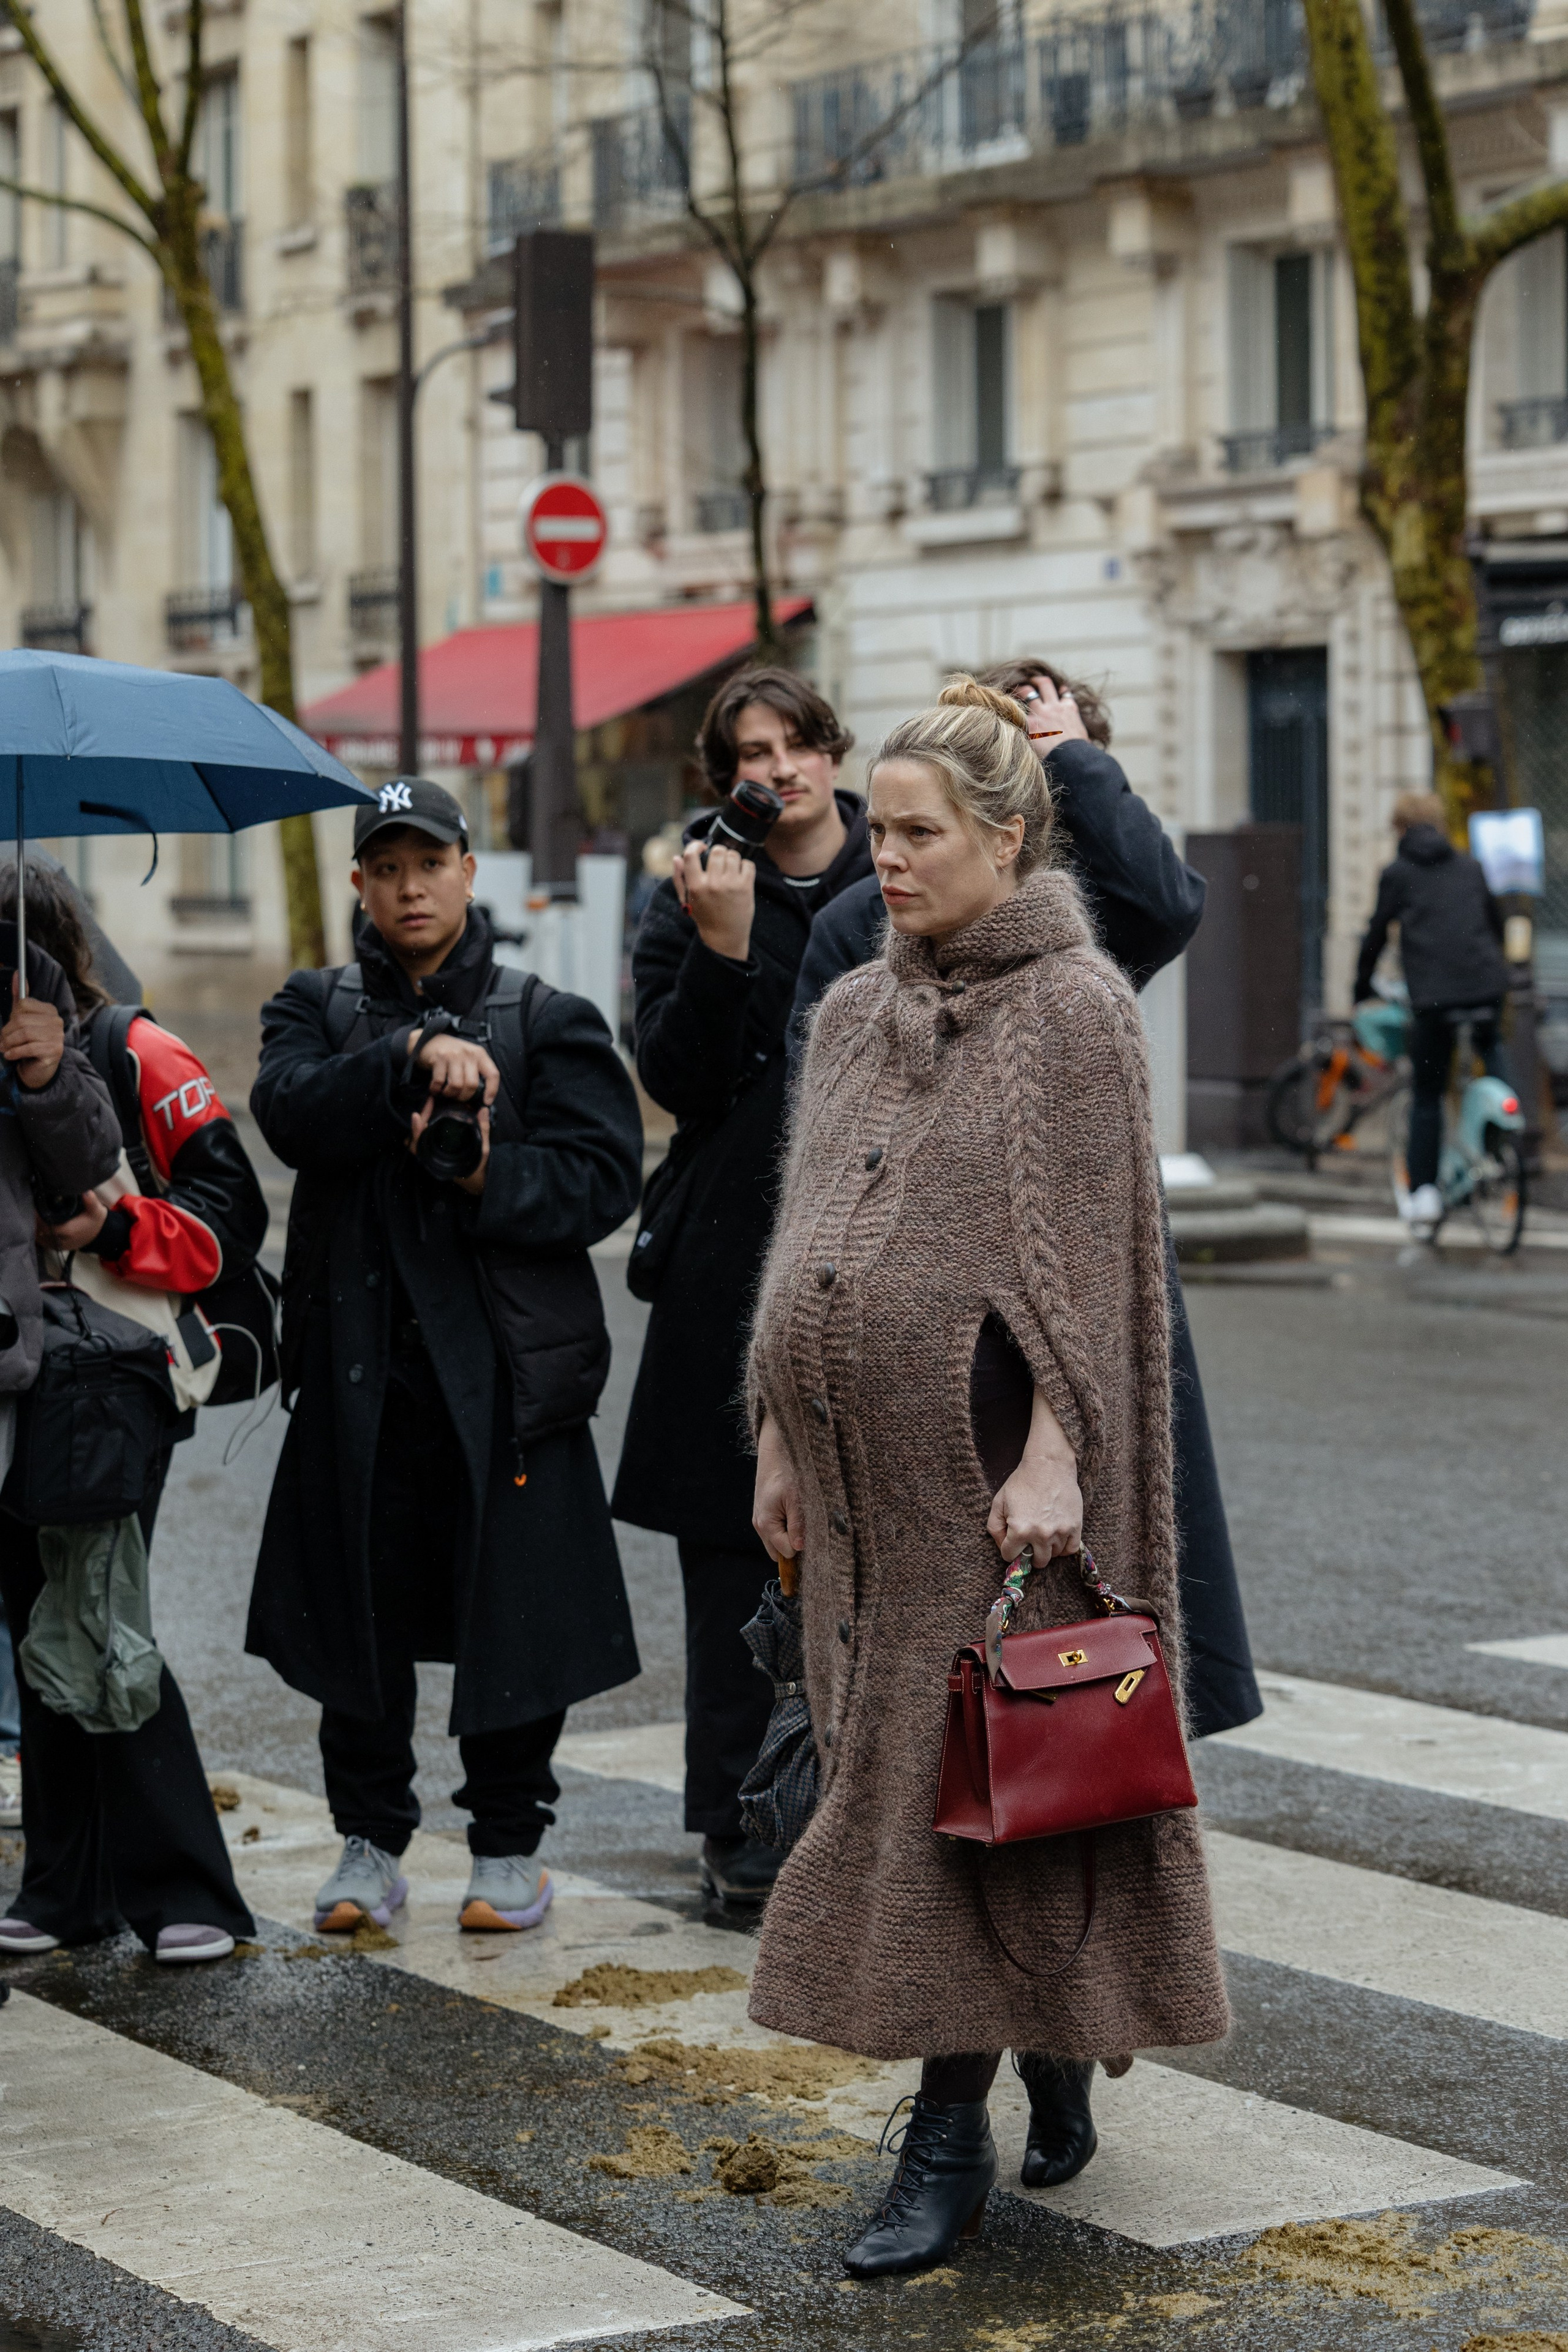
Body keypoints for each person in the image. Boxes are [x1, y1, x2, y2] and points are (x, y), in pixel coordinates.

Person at [748, 680, 1228, 2279]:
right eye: (876, 832)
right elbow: (804, 1241)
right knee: (942, 1779)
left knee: (954, 1790)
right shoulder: (850, 1010)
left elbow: (1090, 1274)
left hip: (993, 1494)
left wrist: (1056, 1462)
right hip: (858, 1487)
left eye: (918, 833)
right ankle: (1044, 2039)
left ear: (1010, 838)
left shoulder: (1077, 1011)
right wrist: (777, 1436)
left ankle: (943, 2138)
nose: (883, 858)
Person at [248, 778, 644, 1937]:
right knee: (355, 1626)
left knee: (513, 1621)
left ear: (471, 873)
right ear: (359, 884)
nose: (410, 887)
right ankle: (368, 1843)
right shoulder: (313, 1008)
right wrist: (410, 1053)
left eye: (430, 864)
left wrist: (482, 1172)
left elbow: (602, 1181)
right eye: (387, 868)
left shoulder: (547, 1018)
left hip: (507, 1383)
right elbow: (289, 1111)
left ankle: (508, 1848)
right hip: (359, 1379)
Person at [611, 669, 875, 1909]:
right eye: (751, 755)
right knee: (735, 1558)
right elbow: (674, 1077)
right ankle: (740, 1822)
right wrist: (719, 948)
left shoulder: (900, 867)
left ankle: (872, 1816)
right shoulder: (697, 887)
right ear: (727, 779)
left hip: (874, 1249)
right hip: (733, 1255)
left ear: (831, 753)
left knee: (882, 1546)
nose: (777, 770)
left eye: (796, 744)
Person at [0, 874, 252, 1962]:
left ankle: (184, 1887)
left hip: (110, 1375)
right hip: (26, 1376)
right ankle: (69, 1886)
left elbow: (228, 1221)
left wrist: (109, 1229)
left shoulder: (132, 1048)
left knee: (101, 1609)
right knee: (40, 1619)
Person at [1354, 790, 1509, 1235]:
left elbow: (1375, 935)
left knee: (1428, 1092)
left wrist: (1361, 987)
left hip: (1434, 998)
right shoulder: (1471, 866)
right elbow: (1495, 925)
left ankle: (1424, 1193)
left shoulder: (1398, 874)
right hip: (1486, 985)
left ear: (1400, 828)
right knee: (1490, 1044)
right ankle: (1505, 1135)